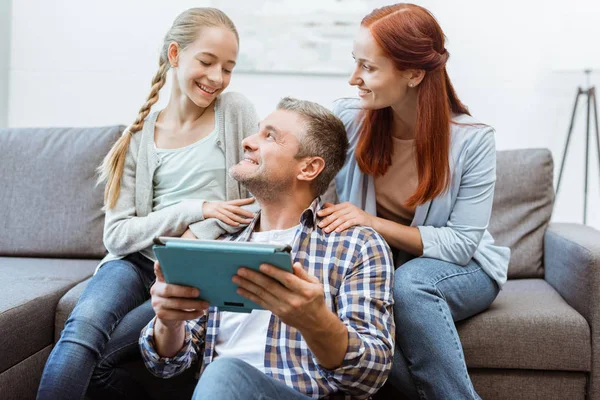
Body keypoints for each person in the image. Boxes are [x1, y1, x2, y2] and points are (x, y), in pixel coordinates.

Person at [37, 8, 259, 400]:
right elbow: (118, 235)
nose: (217, 78)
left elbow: (257, 198)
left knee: (101, 361)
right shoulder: (138, 136)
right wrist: (195, 209)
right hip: (133, 263)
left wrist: (197, 233)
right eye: (206, 62)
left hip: (191, 263)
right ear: (175, 55)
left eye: (228, 67)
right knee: (79, 337)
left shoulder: (234, 112)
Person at [140, 97, 395, 400]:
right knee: (220, 375)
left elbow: (372, 375)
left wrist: (316, 323)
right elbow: (167, 366)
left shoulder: (357, 245)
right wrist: (169, 322)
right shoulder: (222, 243)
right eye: (256, 132)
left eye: (269, 136)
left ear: (309, 168)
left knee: (222, 372)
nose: (247, 141)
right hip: (220, 392)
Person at [317, 4, 511, 399]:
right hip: (380, 265)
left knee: (407, 286)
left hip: (462, 268)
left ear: (413, 73)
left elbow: (459, 244)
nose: (354, 78)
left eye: (368, 68)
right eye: (356, 63)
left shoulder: (473, 140)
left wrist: (369, 221)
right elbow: (309, 182)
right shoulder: (349, 119)